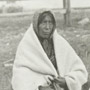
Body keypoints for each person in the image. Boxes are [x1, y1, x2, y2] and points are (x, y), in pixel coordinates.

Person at [12, 9, 88, 90]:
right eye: (44, 22)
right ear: (36, 25)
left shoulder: (60, 43)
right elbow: (19, 77)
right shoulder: (27, 45)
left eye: (50, 23)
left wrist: (66, 81)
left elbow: (79, 70)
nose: (47, 27)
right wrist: (40, 87)